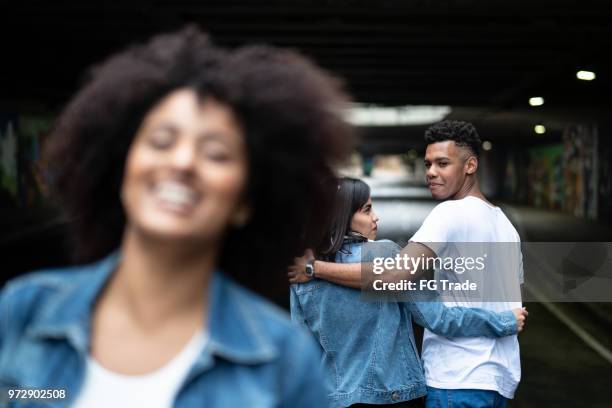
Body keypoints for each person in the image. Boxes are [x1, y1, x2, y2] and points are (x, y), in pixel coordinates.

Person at [0, 26, 353, 408]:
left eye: (216, 153)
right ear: (121, 168)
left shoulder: (284, 362)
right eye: (162, 141)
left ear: (247, 200)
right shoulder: (24, 309)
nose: (183, 162)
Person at [289, 121, 526, 408]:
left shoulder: (450, 213)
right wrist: (505, 322)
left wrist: (315, 269)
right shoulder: (506, 226)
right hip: (497, 378)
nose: (431, 173)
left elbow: (393, 275)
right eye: (428, 164)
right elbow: (459, 309)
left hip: (457, 376)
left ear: (470, 165)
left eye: (442, 163)